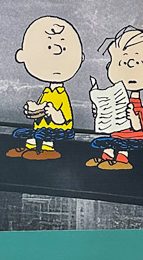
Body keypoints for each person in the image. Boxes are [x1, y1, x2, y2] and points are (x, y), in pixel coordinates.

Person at [87, 26, 143, 170]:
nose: (130, 67)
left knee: (122, 146)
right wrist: (100, 113)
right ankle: (106, 158)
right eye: (122, 63)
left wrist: (134, 119)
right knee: (108, 143)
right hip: (117, 135)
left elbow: (140, 128)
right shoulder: (119, 98)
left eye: (138, 63)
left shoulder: (136, 104)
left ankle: (122, 160)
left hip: (134, 138)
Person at [7, 16, 85, 161]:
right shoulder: (47, 93)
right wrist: (34, 110)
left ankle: (47, 149)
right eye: (48, 47)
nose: (56, 52)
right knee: (23, 133)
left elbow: (63, 119)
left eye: (63, 48)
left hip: (60, 130)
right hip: (42, 129)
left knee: (42, 134)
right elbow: (41, 115)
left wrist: (53, 112)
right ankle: (31, 147)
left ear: (80, 58)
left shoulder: (61, 95)